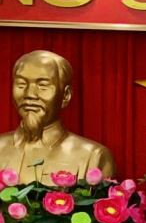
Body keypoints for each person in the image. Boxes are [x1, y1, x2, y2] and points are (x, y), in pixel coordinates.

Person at [0, 49, 117, 184]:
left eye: (43, 86)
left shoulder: (94, 156)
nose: (29, 94)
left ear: (66, 95)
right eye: (21, 84)